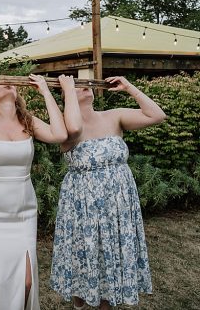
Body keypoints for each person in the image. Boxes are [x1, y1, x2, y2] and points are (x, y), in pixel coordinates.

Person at [0, 73, 78, 309]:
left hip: (23, 211)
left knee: (26, 282)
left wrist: (45, 91)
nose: (7, 81)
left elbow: (60, 135)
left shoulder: (28, 121)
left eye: (11, 82)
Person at [50, 76, 165, 310]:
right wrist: (68, 90)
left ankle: (106, 302)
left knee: (111, 252)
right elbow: (74, 129)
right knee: (86, 250)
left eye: (87, 84)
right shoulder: (64, 126)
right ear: (66, 95)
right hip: (83, 202)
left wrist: (129, 87)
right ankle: (80, 301)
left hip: (118, 201)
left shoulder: (114, 116)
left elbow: (157, 115)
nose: (84, 86)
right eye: (76, 86)